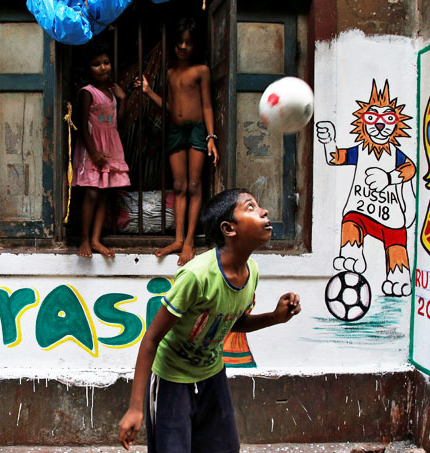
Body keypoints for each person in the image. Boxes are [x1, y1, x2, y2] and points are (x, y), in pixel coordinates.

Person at [118, 188, 301, 452]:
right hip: (173, 381)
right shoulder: (196, 277)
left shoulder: (253, 273)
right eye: (250, 207)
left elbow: (230, 322)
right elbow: (152, 339)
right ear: (229, 228)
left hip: (212, 376)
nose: (264, 211)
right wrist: (135, 408)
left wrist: (275, 317)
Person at [136, 18, 219, 266]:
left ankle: (190, 241)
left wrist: (211, 137)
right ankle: (178, 239)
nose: (183, 47)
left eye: (188, 43)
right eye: (180, 43)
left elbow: (206, 105)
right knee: (179, 185)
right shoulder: (171, 73)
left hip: (197, 130)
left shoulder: (201, 70)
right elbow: (171, 108)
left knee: (194, 185)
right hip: (175, 129)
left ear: (196, 46)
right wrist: (150, 93)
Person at [72, 39, 130, 258]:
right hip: (93, 148)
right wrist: (94, 153)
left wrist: (123, 100)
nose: (103, 67)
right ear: (89, 68)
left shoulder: (113, 92)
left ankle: (96, 239)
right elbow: (82, 126)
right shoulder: (87, 92)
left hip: (111, 146)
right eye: (97, 64)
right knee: (92, 193)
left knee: (105, 193)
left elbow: (118, 123)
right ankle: (84, 240)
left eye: (106, 62)